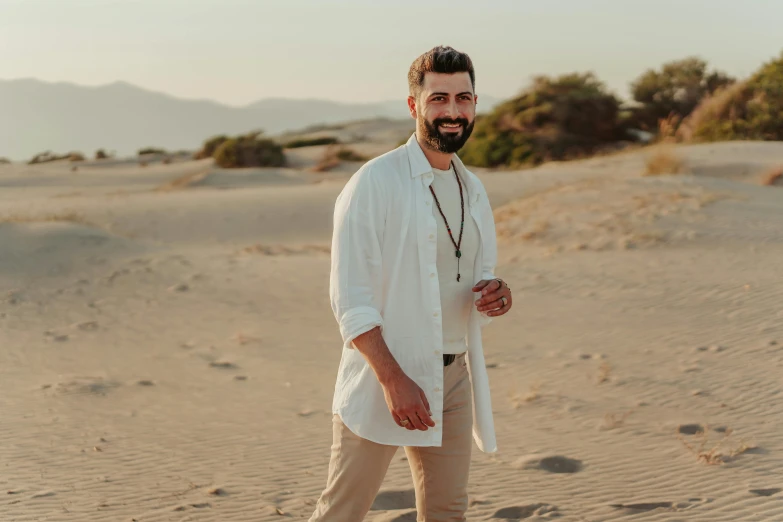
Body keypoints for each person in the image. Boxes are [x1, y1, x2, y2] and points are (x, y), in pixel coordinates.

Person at [310, 45, 513, 522]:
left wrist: (496, 294)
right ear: (413, 105)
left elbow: (476, 276)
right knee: (342, 512)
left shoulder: (472, 188)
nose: (452, 111)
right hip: (385, 376)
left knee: (447, 510)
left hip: (453, 377)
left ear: (475, 104)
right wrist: (393, 379)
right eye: (438, 98)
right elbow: (349, 299)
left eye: (463, 98)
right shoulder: (374, 183)